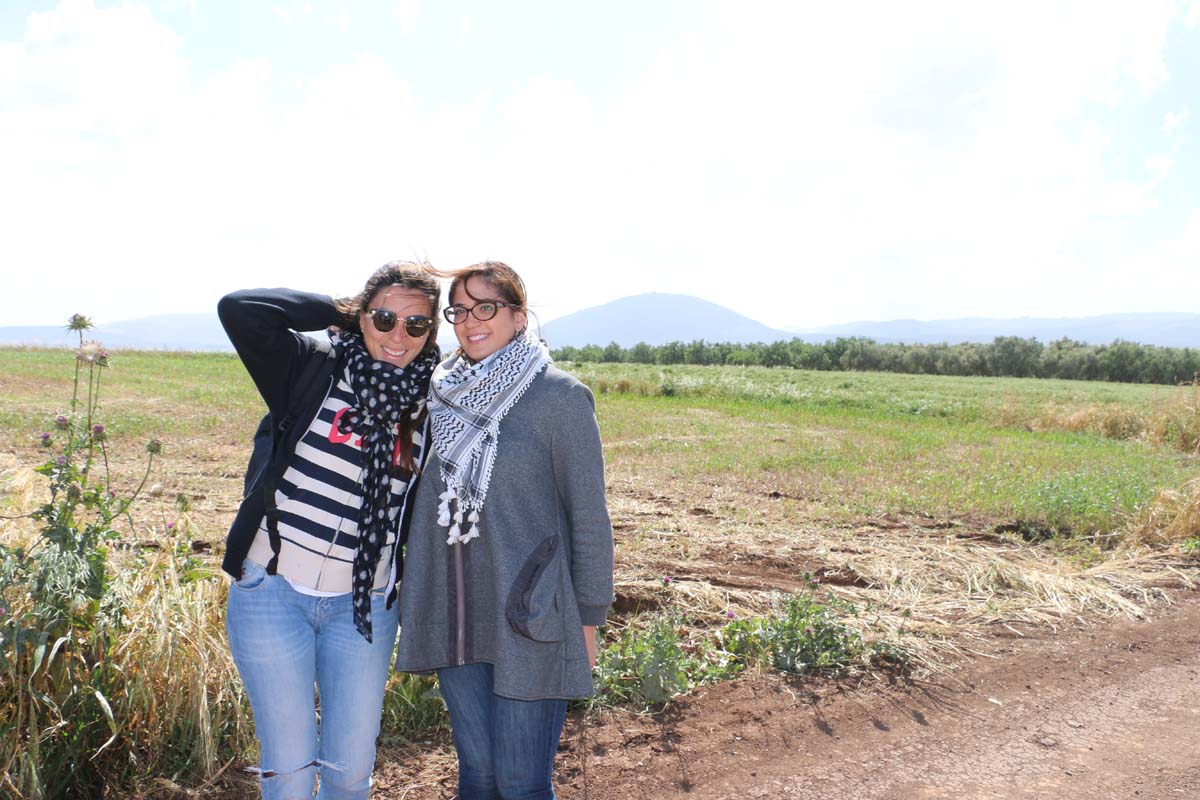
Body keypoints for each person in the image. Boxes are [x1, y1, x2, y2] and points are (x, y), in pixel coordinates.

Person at [217, 261, 441, 800]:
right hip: (272, 594)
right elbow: (241, 310)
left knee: (349, 773)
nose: (398, 336)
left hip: (363, 610)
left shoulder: (433, 404)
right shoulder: (312, 368)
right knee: (290, 772)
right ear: (361, 317)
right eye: (384, 319)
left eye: (416, 325)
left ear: (432, 332)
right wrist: (342, 309)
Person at [394, 261, 615, 800]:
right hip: (457, 618)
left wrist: (588, 621)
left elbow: (589, 518)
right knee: (478, 777)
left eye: (486, 307)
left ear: (518, 316)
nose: (471, 321)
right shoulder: (440, 396)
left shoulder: (560, 399)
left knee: (520, 783)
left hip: (529, 620)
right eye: (460, 311)